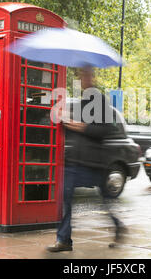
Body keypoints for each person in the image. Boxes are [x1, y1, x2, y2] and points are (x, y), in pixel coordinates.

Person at [46, 66, 126, 253]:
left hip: (94, 162)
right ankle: (64, 240)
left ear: (92, 77)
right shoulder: (81, 103)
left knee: (104, 201)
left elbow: (105, 129)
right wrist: (62, 120)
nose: (83, 79)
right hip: (74, 161)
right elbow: (71, 127)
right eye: (80, 76)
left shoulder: (100, 101)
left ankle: (118, 226)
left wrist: (79, 126)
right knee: (65, 199)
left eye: (85, 75)